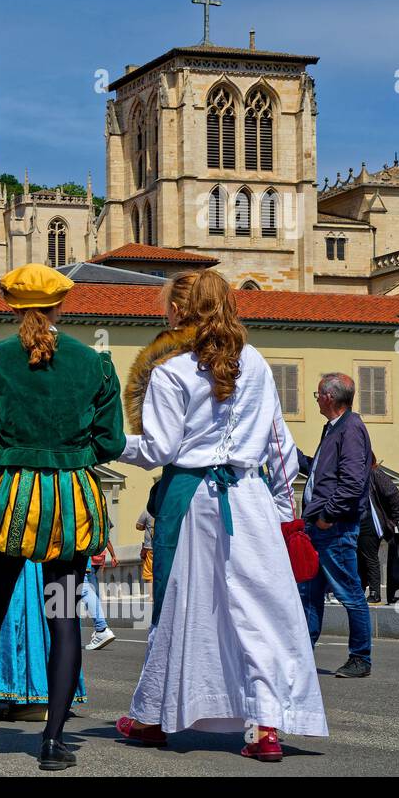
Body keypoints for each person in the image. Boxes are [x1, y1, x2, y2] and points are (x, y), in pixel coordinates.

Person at [115, 269, 327, 762]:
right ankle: (265, 727)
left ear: (180, 313)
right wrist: (282, 510)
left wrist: (107, 443)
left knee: (185, 609)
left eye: (167, 306)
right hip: (249, 498)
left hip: (193, 501)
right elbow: (281, 447)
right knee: (260, 612)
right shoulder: (256, 362)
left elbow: (159, 449)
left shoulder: (170, 373)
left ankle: (155, 716)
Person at [0, 264, 124, 770]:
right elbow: (112, 441)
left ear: (11, 305)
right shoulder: (94, 362)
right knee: (62, 616)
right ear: (62, 305)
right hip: (68, 503)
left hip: (12, 500)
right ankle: (54, 741)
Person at [0, 453, 89, 719]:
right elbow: (108, 441)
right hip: (64, 509)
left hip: (13, 515)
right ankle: (54, 734)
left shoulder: (3, 432)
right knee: (63, 618)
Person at [297, 372, 374, 679]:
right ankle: (302, 653)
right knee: (310, 592)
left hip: (335, 527)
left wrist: (328, 516)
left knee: (350, 592)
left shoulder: (351, 428)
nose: (316, 400)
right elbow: (321, 471)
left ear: (329, 397)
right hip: (320, 527)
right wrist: (294, 458)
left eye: (317, 396)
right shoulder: (333, 430)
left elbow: (353, 482)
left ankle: (360, 658)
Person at [359, 456, 399, 605]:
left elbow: (394, 495)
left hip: (371, 523)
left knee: (370, 558)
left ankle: (375, 593)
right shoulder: (362, 474)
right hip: (361, 522)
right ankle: (361, 591)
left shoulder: (374, 472)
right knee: (361, 559)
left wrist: (392, 521)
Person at [81, 539, 117, 650]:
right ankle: (101, 628)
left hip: (71, 548)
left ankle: (101, 629)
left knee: (82, 589)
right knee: (83, 588)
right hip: (85, 551)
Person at [135, 505, 155, 596]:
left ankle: (151, 595)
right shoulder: (166, 508)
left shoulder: (148, 510)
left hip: (150, 547)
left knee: (149, 572)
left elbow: (138, 526)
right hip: (164, 546)